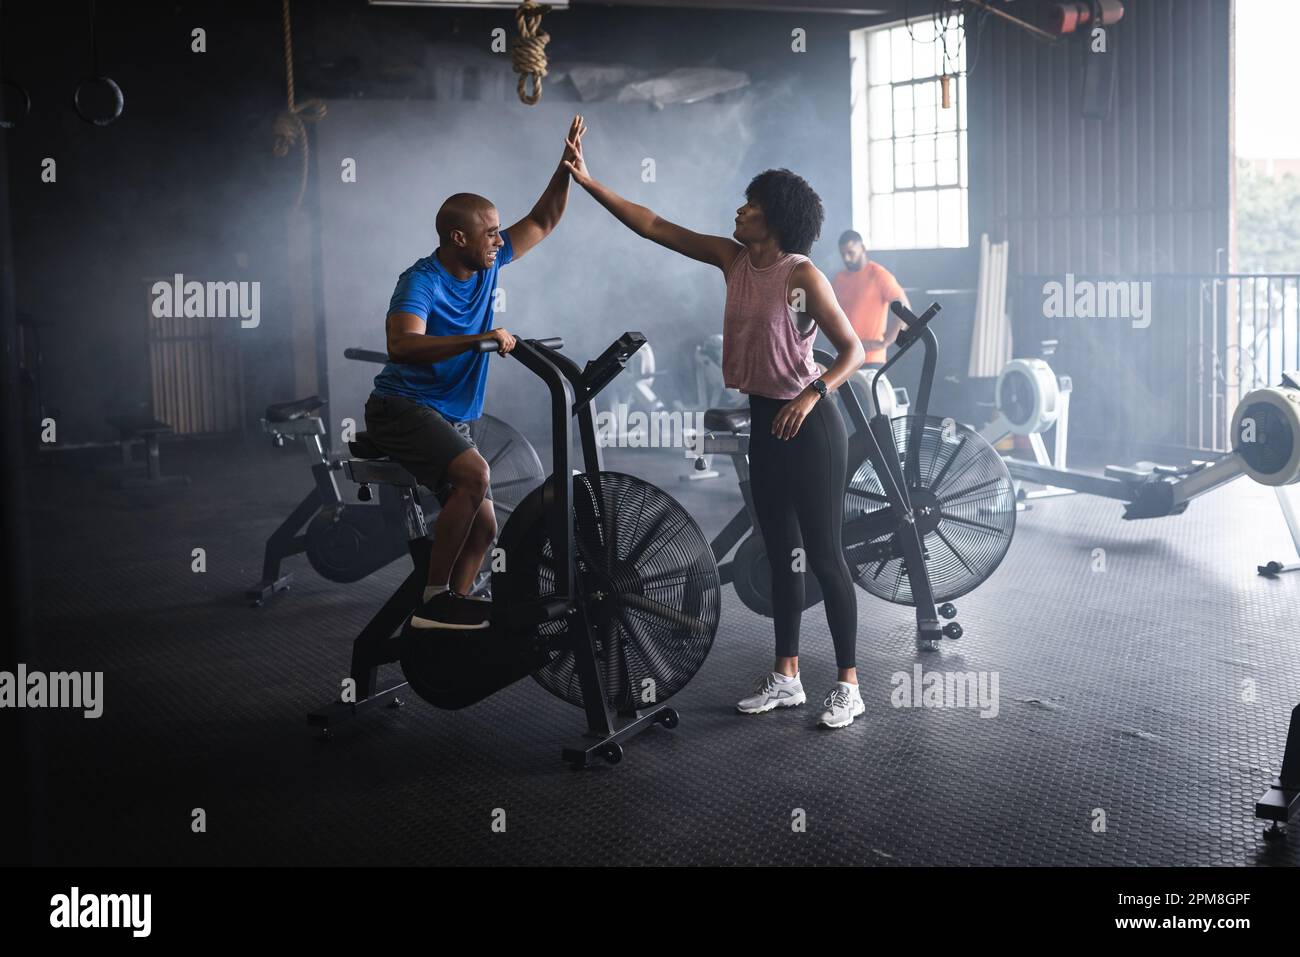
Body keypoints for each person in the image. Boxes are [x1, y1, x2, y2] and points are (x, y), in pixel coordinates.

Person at [563, 126, 869, 729]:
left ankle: (848, 686)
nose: (739, 210)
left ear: (773, 219)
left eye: (751, 205)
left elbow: (853, 352)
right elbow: (655, 225)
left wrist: (811, 396)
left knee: (826, 558)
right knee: (782, 556)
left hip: (811, 426)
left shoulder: (801, 276)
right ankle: (788, 678)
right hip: (765, 422)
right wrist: (587, 180)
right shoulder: (733, 260)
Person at [363, 116, 583, 631]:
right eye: (488, 233)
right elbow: (401, 345)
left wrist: (566, 168)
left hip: (448, 416)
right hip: (401, 409)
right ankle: (435, 601)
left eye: (497, 232)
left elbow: (544, 221)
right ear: (458, 237)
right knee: (476, 476)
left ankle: (443, 620)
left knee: (483, 531)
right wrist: (481, 341)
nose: (497, 240)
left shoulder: (491, 261)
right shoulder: (420, 281)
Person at [831, 229, 910, 370]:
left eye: (851, 253)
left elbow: (905, 310)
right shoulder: (838, 279)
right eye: (843, 254)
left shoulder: (879, 275)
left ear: (862, 248)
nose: (846, 259)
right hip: (844, 359)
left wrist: (885, 342)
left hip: (872, 361)